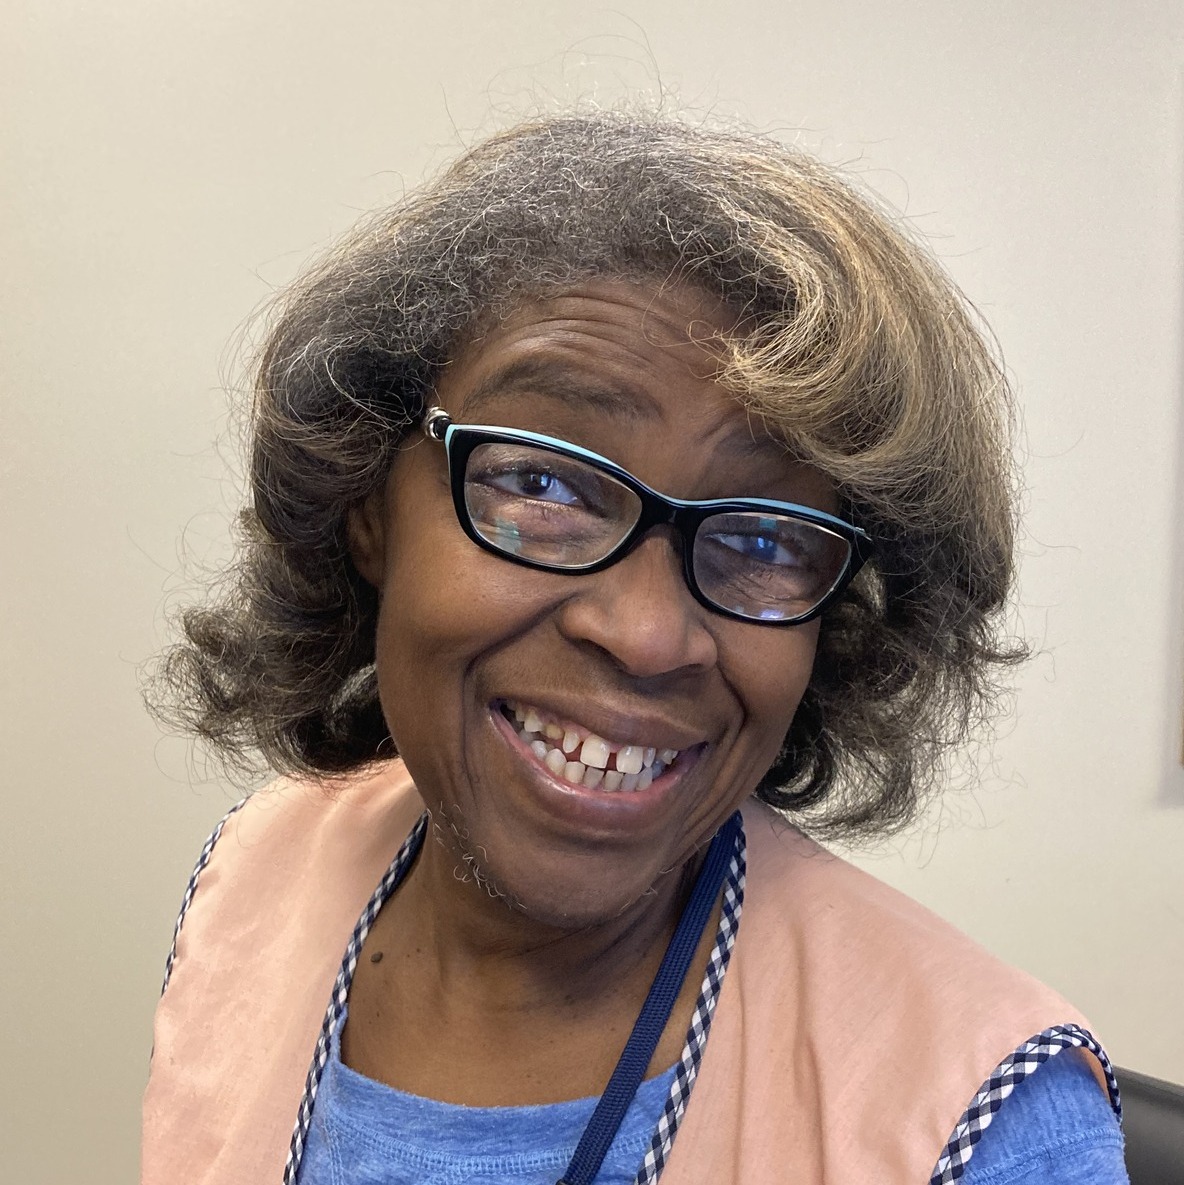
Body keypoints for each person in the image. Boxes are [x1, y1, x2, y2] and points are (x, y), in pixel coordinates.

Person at [142, 112, 1129, 1184]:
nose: (649, 634)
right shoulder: (253, 876)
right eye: (542, 482)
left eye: (763, 539)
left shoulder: (983, 1131)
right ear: (366, 506)